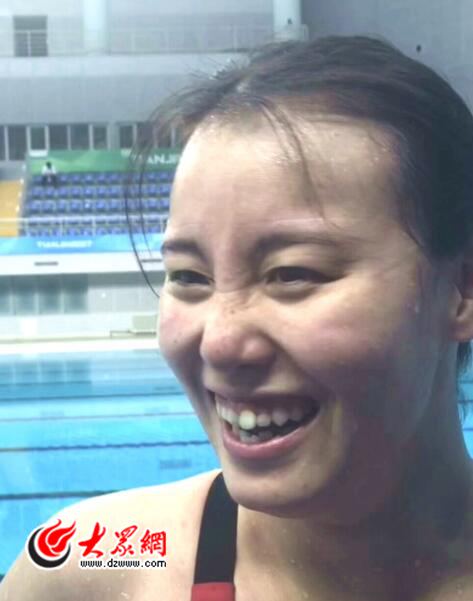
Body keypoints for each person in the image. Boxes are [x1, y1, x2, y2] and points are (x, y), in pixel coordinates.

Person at [3, 34, 473, 600]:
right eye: (188, 276)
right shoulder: (87, 570)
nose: (219, 343)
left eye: (293, 273)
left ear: (462, 289)